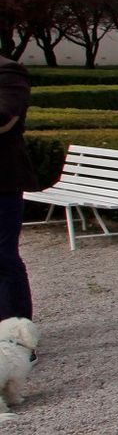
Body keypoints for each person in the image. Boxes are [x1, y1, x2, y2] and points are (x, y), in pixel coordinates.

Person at [0, 49, 33, 321]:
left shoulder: (8, 72)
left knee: (2, 256)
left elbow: (4, 118)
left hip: (2, 181)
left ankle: (16, 326)